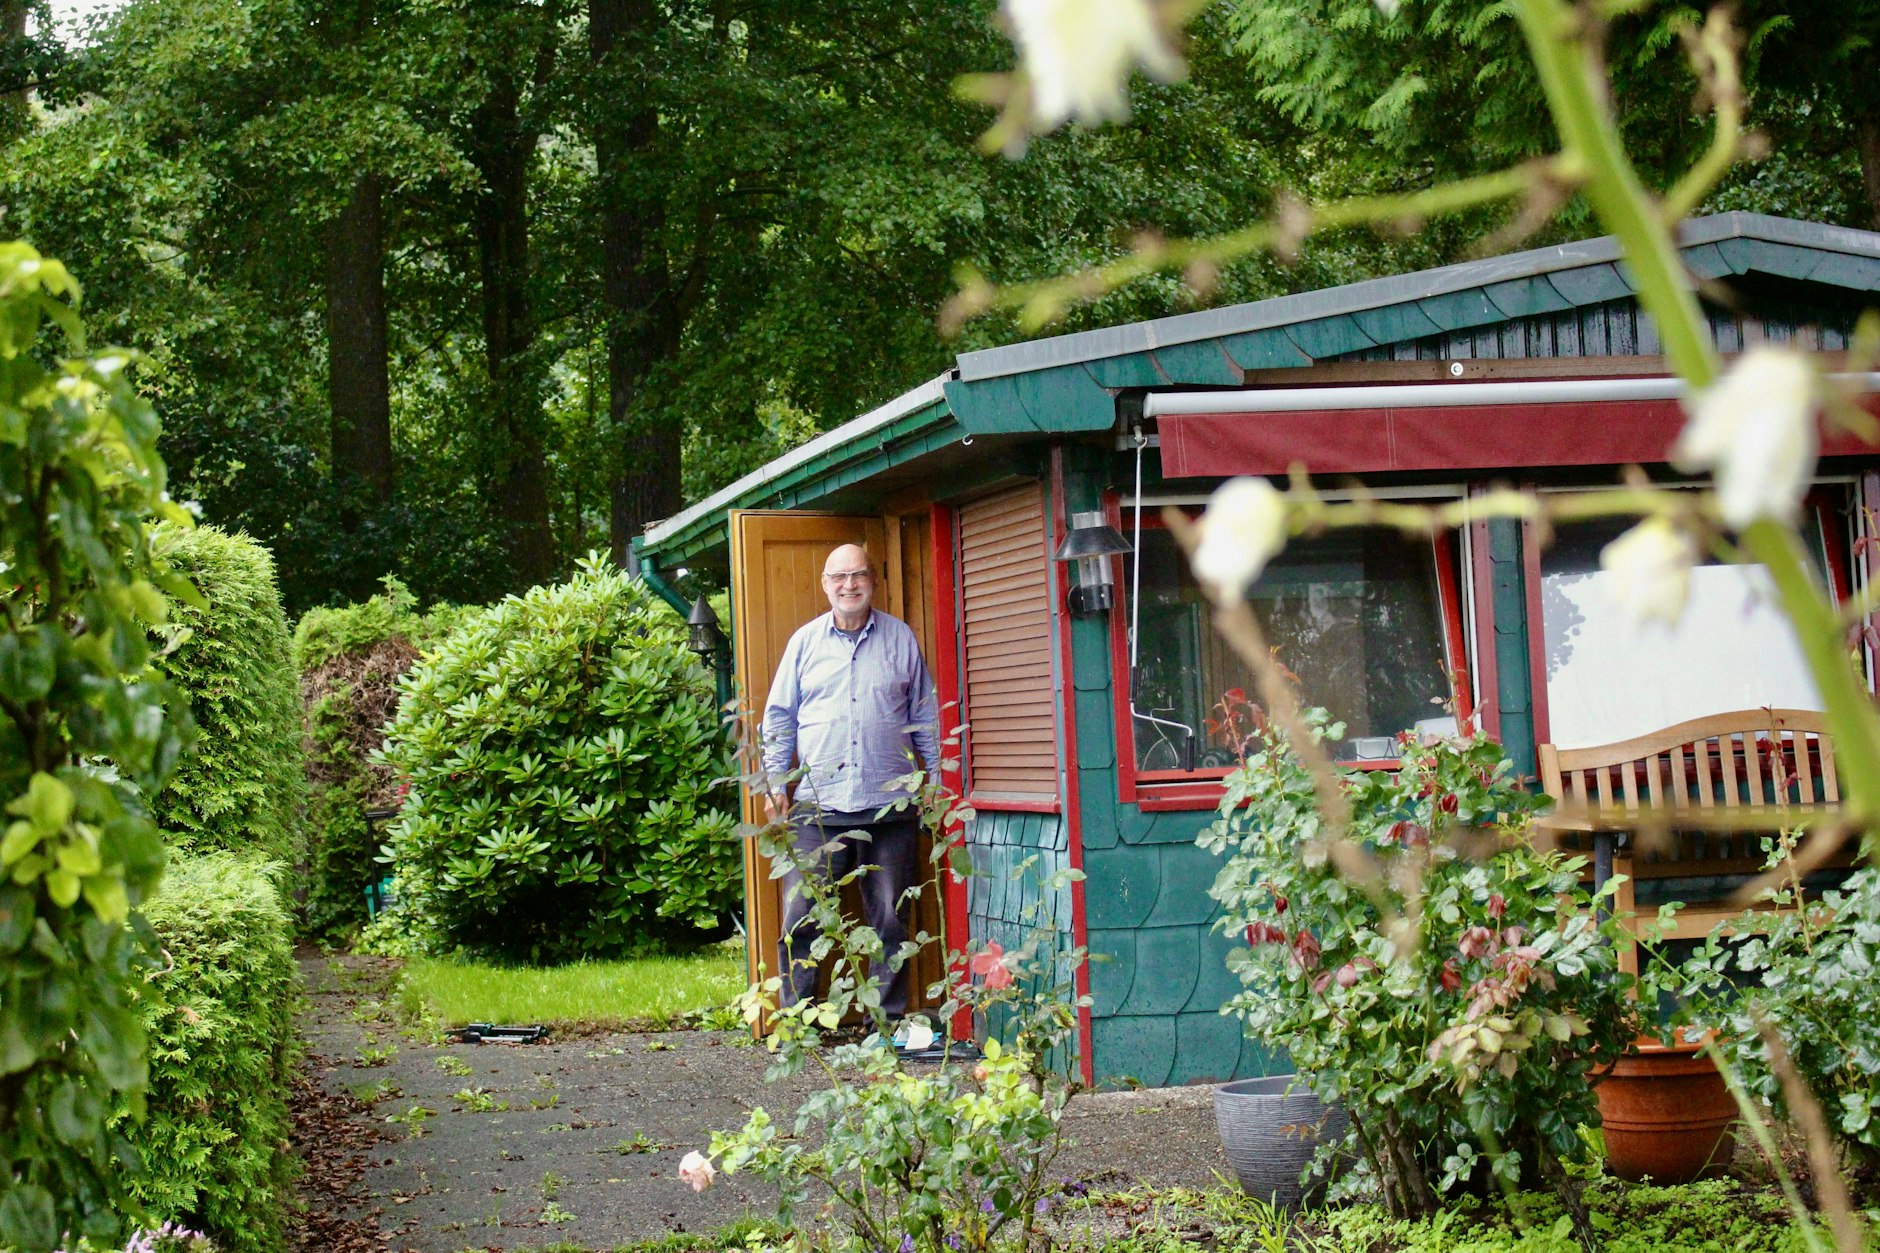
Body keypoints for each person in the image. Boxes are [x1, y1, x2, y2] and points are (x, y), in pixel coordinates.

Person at [761, 542, 940, 1021]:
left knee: (889, 920)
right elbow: (779, 719)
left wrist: (935, 783)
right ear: (825, 584)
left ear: (873, 581)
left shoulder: (901, 639)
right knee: (802, 917)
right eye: (839, 577)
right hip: (817, 809)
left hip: (891, 808)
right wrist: (776, 786)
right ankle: (799, 1020)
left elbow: (924, 716)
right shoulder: (804, 644)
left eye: (858, 575)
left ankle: (887, 1022)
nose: (849, 585)